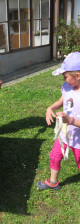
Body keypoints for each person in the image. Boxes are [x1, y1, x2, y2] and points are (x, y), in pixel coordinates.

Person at [36, 51, 80, 190]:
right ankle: (53, 182)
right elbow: (62, 101)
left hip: (79, 140)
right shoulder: (67, 88)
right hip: (64, 134)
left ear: (77, 76)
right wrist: (50, 107)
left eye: (65, 77)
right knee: (55, 156)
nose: (64, 80)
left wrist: (70, 120)